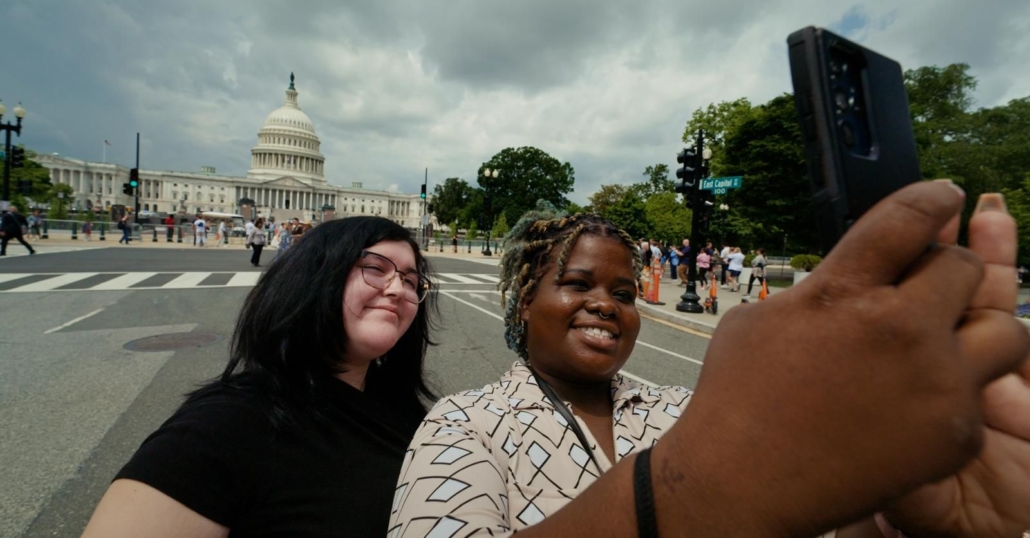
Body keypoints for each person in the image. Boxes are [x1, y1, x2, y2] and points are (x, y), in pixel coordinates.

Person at [389, 185, 1030, 538]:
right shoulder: (463, 424)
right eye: (577, 284)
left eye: (623, 294)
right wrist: (681, 496)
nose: (606, 305)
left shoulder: (690, 408)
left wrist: (897, 503)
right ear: (524, 302)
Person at [82, 216, 437, 538]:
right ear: (316, 276)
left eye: (410, 280)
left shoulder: (405, 410)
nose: (397, 289)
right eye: (375, 268)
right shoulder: (226, 426)